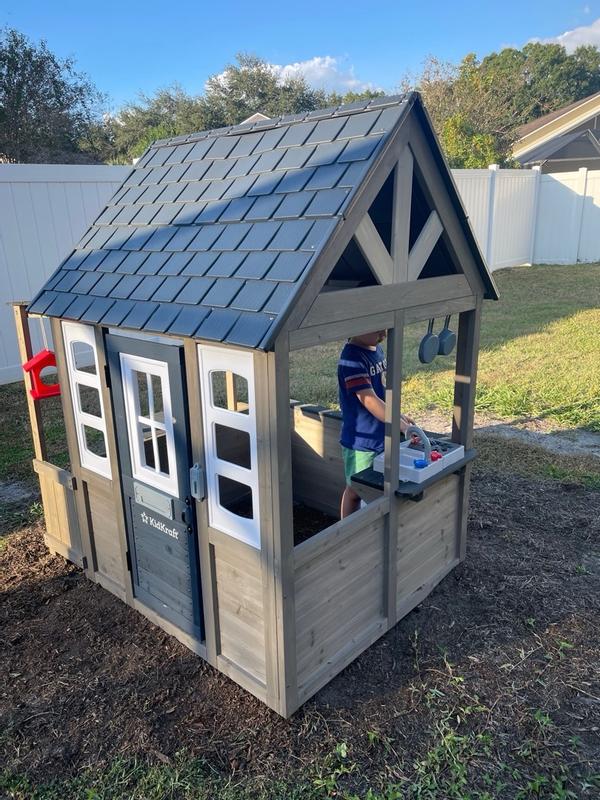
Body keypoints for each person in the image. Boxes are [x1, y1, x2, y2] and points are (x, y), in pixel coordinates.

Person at [338, 331, 414, 519]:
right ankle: (346, 531)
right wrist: (401, 425)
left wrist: (400, 418)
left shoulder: (376, 349)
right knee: (355, 490)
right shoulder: (351, 359)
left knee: (379, 486)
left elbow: (380, 395)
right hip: (362, 443)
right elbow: (370, 400)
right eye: (378, 329)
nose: (384, 334)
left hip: (382, 435)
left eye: (386, 328)